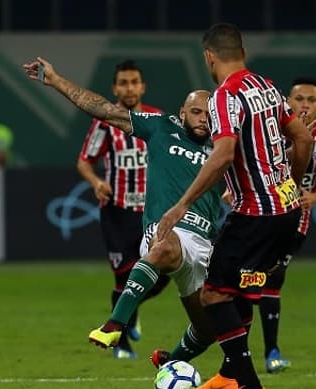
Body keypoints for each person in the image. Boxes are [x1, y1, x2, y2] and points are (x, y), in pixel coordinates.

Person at [21, 58, 222, 367]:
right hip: (162, 229)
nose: (203, 119)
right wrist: (56, 80)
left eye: (210, 115)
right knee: (163, 247)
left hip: (205, 243)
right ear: (182, 113)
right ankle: (116, 324)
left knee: (209, 328)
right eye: (196, 112)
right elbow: (103, 109)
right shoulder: (160, 126)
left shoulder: (225, 146)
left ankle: (170, 362)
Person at [156, 23, 313, 389]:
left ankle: (249, 388)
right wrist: (287, 185)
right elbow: (304, 138)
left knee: (212, 294)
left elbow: (224, 152)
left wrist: (182, 204)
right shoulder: (267, 86)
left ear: (209, 56)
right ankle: (229, 375)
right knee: (237, 291)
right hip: (283, 209)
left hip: (255, 214)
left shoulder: (224, 97)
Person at [250, 76, 316, 374]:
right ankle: (251, 346)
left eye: (311, 100)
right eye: (299, 99)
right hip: (260, 213)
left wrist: (314, 197)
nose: (304, 105)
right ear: (287, 102)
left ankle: (270, 352)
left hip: (294, 222)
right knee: (248, 280)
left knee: (270, 279)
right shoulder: (272, 133)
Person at [76, 59, 170, 359]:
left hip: (152, 212)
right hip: (117, 211)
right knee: (123, 276)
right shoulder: (105, 122)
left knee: (164, 272)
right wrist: (95, 181)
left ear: (142, 86)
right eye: (123, 83)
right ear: (114, 88)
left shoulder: (157, 119)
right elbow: (84, 161)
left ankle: (134, 306)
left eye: (134, 82)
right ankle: (122, 344)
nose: (129, 88)